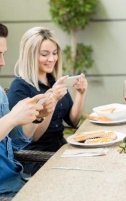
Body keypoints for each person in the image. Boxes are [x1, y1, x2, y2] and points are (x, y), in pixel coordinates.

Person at [0, 17, 53, 201]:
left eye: (3, 54)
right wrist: (11, 119)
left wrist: (35, 116)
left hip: (17, 182)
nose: (2, 62)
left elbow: (14, 142)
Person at [7, 27, 88, 175]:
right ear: (30, 55)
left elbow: (73, 121)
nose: (51, 59)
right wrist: (53, 99)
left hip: (61, 149)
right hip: (37, 157)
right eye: (44, 54)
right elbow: (34, 136)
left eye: (55, 53)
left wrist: (81, 94)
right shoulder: (20, 88)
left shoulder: (54, 81)